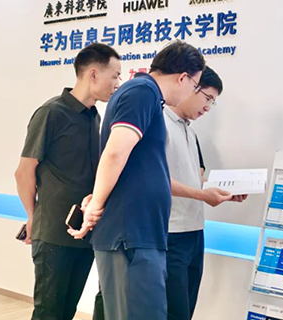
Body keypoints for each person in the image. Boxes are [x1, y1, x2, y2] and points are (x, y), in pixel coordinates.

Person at [69, 41, 206, 320]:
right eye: (195, 86)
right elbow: (115, 152)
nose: (192, 93)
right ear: (183, 77)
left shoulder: (147, 95)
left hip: (141, 234)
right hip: (129, 236)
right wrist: (96, 204)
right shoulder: (142, 92)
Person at [14, 43, 121, 320]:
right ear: (93, 74)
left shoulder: (95, 117)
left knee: (66, 312)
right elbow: (24, 172)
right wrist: (33, 217)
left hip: (83, 234)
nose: (117, 83)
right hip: (52, 235)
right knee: (48, 313)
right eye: (115, 76)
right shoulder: (52, 112)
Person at [164, 66, 247, 320]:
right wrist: (203, 195)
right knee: (172, 311)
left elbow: (191, 178)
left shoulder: (189, 130)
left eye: (213, 102)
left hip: (194, 231)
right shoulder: (159, 124)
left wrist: (223, 192)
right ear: (191, 86)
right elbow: (156, 179)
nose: (208, 108)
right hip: (170, 233)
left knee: (187, 308)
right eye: (207, 98)